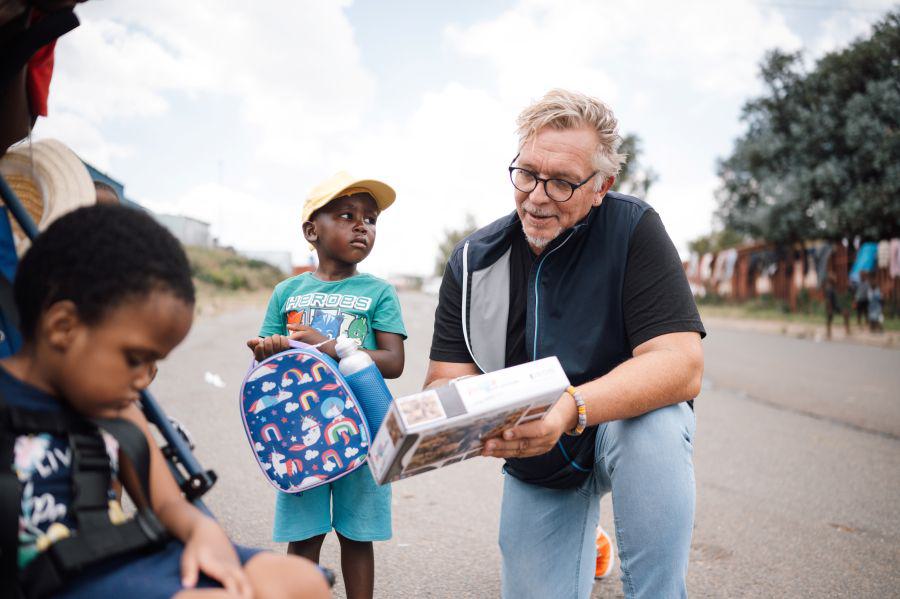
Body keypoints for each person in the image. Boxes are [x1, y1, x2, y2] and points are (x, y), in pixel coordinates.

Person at [426, 89, 705, 599]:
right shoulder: (473, 259)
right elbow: (447, 378)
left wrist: (570, 408)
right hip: (538, 454)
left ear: (601, 187)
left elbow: (680, 364)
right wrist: (474, 423)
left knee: (657, 425)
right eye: (528, 173)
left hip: (620, 426)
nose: (536, 196)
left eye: (561, 183)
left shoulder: (633, 228)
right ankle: (582, 534)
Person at [4, 203, 330, 598]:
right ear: (63, 327)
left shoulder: (118, 411)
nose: (147, 377)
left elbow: (166, 503)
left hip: (129, 555)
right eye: (136, 358)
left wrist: (203, 531)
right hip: (58, 582)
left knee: (301, 581)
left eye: (155, 361)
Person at [247, 171, 406, 599]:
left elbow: (393, 362)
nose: (362, 226)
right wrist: (270, 349)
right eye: (347, 215)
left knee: (357, 535)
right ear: (311, 231)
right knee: (303, 535)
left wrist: (332, 346)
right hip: (300, 433)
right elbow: (266, 353)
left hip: (361, 428)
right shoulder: (287, 292)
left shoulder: (378, 292)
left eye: (370, 220)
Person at [824, 273, 850, 340]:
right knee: (830, 318)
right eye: (834, 278)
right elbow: (828, 300)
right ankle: (829, 332)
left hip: (835, 306)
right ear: (831, 280)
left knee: (845, 314)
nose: (835, 279)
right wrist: (829, 308)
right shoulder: (829, 288)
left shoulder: (831, 287)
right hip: (833, 306)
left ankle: (829, 332)